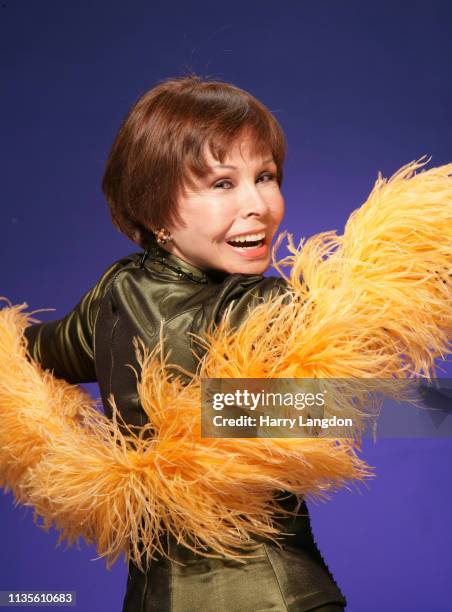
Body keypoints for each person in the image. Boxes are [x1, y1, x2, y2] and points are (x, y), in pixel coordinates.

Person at [22, 77, 348, 611]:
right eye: (222, 184)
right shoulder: (256, 308)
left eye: (265, 176)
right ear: (154, 210)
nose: (259, 205)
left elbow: (25, 353)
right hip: (272, 598)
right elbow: (362, 389)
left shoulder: (113, 296)